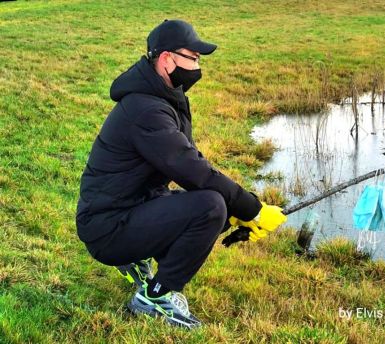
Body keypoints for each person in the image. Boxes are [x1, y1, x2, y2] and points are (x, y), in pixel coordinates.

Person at [75, 19, 286, 329]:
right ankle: (155, 296)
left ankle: (135, 256)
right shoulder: (146, 110)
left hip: (130, 206)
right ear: (166, 59)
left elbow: (193, 165)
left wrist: (237, 213)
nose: (197, 65)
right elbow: (194, 171)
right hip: (107, 226)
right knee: (210, 206)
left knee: (217, 206)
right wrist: (253, 209)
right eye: (193, 57)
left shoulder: (165, 98)